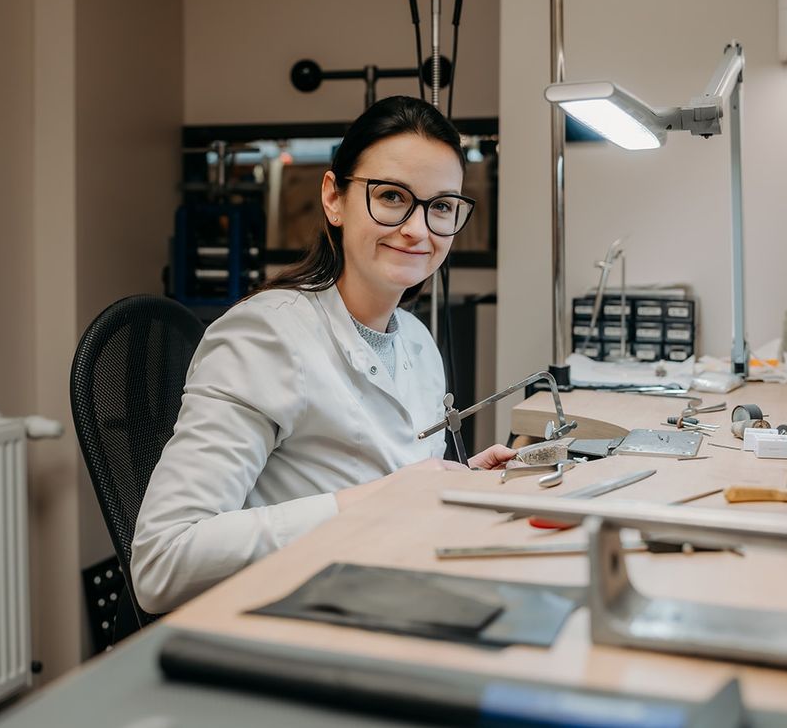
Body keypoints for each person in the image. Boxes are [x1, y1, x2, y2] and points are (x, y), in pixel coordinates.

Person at [132, 96, 517, 614]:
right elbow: (163, 562)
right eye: (391, 197)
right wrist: (380, 501)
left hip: (381, 598)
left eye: (442, 206)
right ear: (334, 198)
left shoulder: (416, 340)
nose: (418, 229)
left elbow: (381, 478)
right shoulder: (266, 336)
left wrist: (453, 481)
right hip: (289, 629)